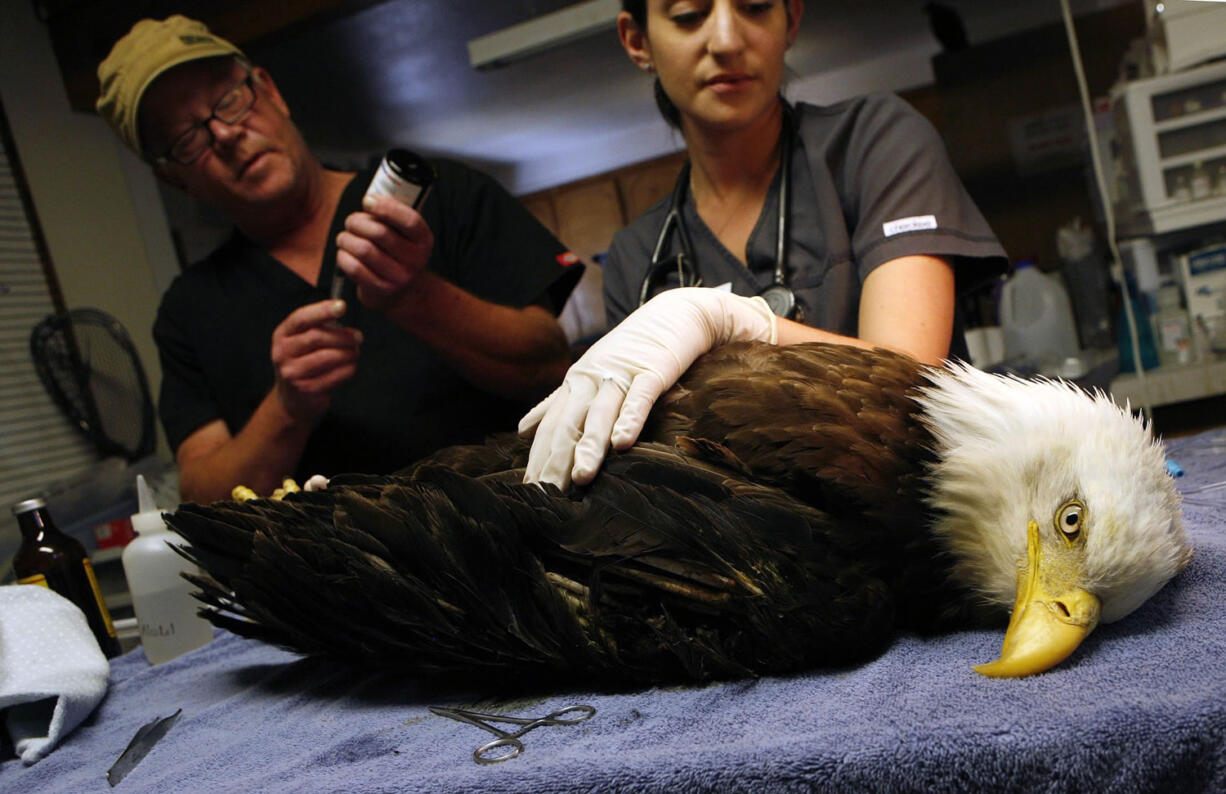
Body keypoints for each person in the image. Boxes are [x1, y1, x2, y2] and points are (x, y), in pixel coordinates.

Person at [521, 0, 1007, 489]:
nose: (727, 40)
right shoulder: (638, 255)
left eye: (754, 7)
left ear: (791, 19)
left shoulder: (875, 142)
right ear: (637, 40)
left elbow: (910, 377)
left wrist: (732, 321)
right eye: (690, 14)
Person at [96, 16, 583, 503]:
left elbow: (549, 364)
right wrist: (287, 408)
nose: (224, 133)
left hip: (521, 526)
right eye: (188, 139)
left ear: (269, 91)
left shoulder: (443, 194)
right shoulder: (191, 311)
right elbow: (204, 498)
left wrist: (416, 298)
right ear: (172, 179)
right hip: (344, 568)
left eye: (228, 100)